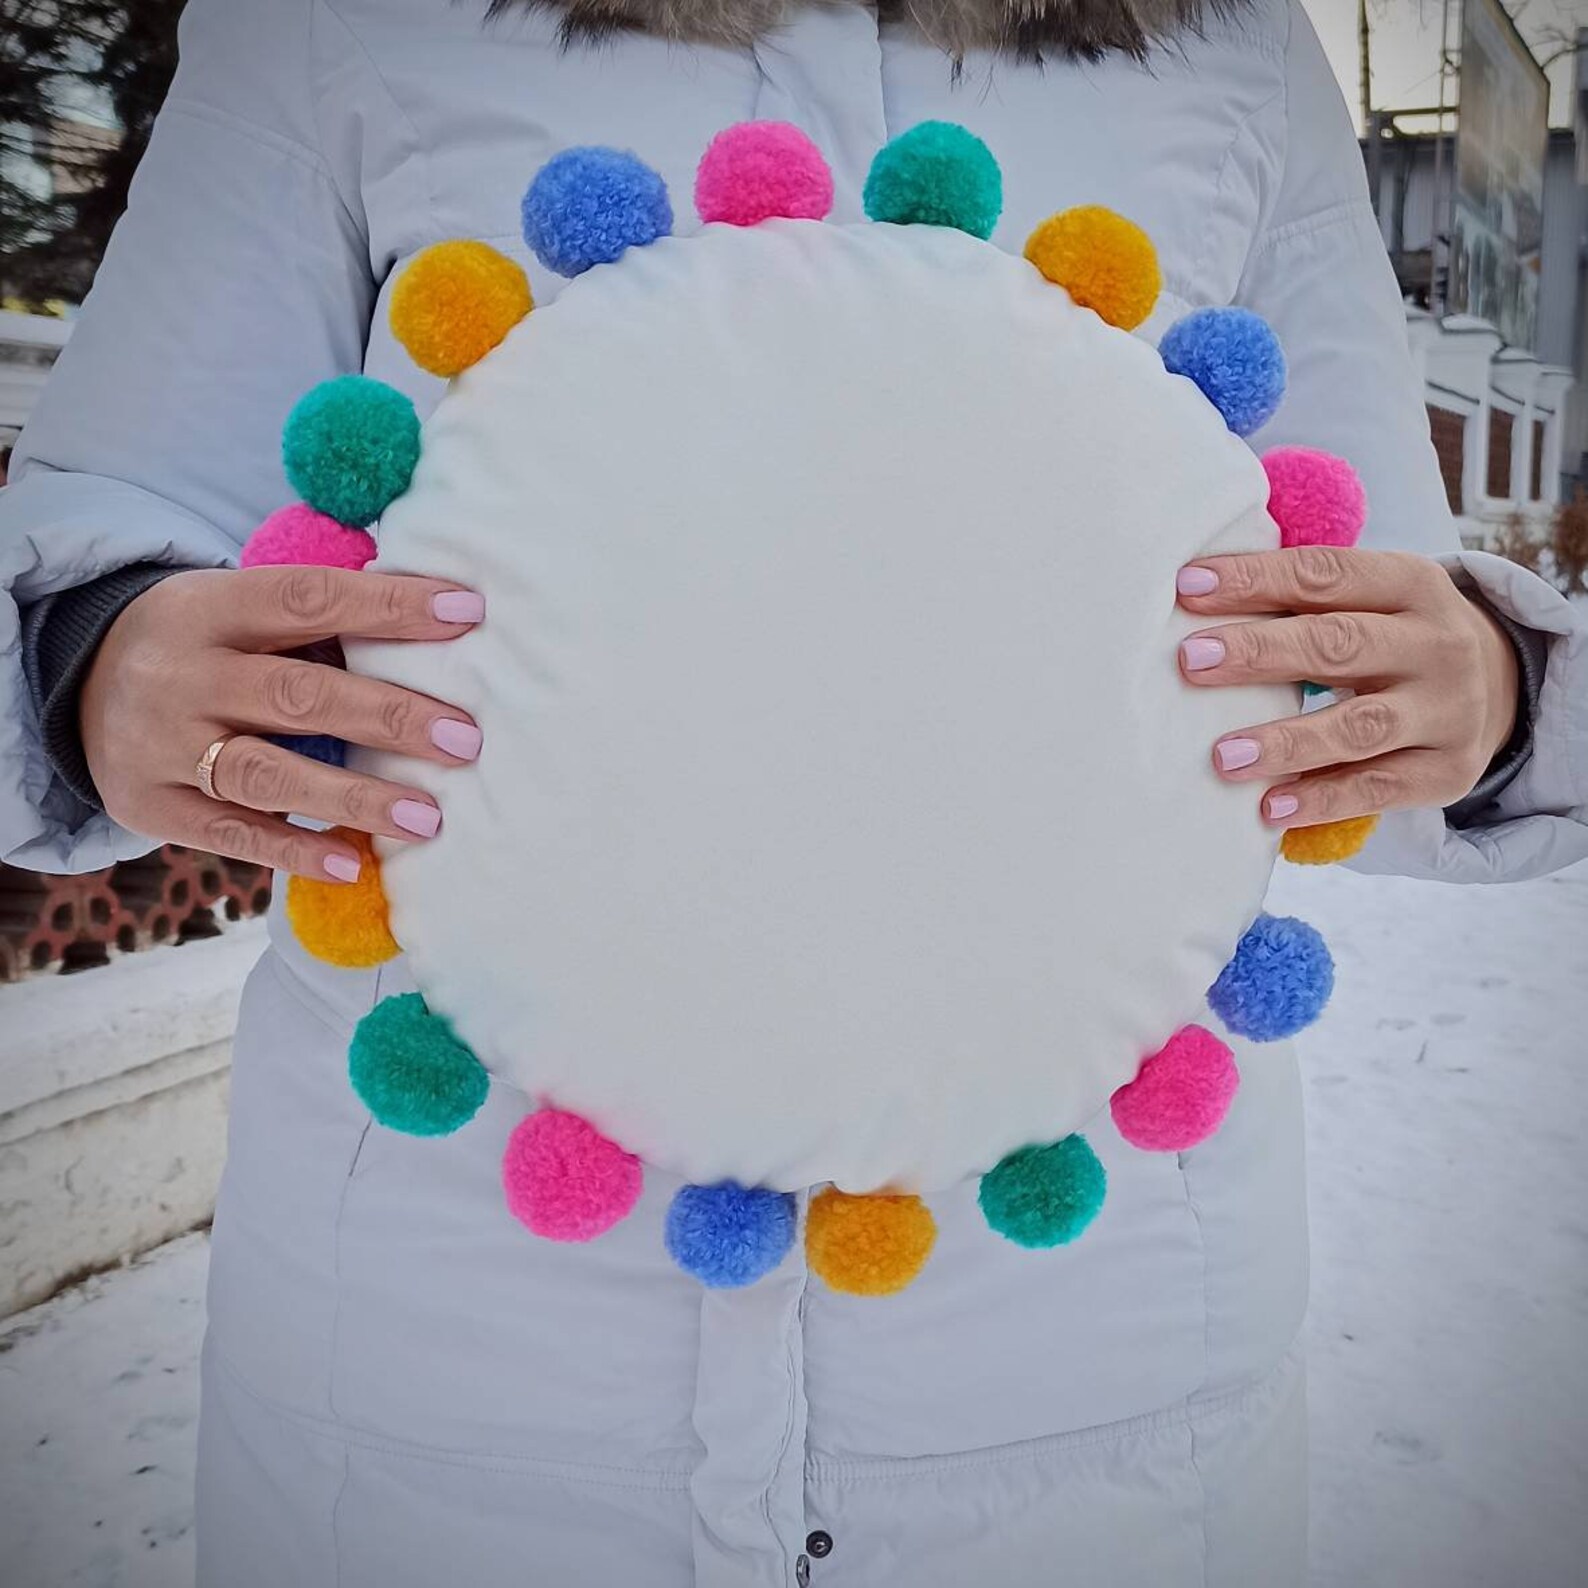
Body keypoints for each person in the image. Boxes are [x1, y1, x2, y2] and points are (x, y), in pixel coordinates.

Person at [2, 2, 1584, 1583]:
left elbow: (1366, 621)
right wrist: (103, 660)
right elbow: (102, 527)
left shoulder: (1228, 45)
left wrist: (1483, 688)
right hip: (450, 1373)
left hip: (1089, 1379)